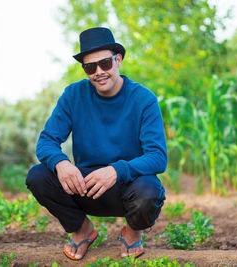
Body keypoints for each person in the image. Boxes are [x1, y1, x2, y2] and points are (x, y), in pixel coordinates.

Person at [25, 27, 167, 260]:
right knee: (38, 176)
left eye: (105, 64)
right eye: (90, 67)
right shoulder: (73, 95)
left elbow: (158, 157)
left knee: (150, 190)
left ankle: (132, 232)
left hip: (128, 187)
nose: (99, 72)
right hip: (86, 186)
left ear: (118, 60)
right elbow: (46, 141)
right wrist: (62, 164)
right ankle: (83, 230)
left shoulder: (144, 99)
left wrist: (116, 170)